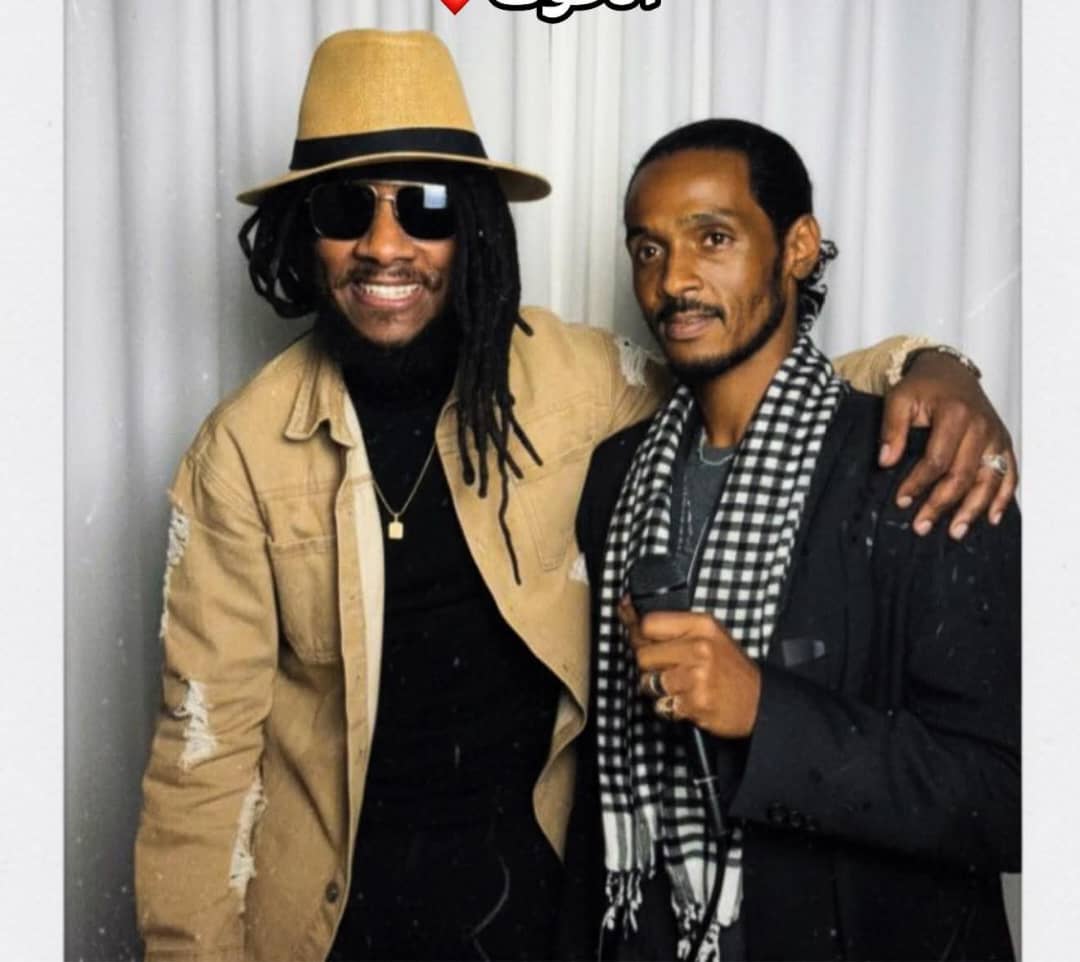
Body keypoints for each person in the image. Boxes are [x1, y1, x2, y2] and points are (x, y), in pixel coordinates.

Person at [133, 30, 1017, 962]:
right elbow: (201, 763)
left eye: (425, 207)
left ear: (470, 223)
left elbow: (747, 384)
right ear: (305, 234)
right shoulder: (240, 455)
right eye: (345, 206)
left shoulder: (577, 382)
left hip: (545, 915)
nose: (385, 245)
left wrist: (933, 368)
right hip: (340, 923)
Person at [566, 119, 1019, 961]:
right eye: (649, 249)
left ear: (798, 247)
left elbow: (1011, 793)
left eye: (713, 238)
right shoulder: (616, 474)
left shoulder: (924, 466)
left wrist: (764, 713)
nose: (674, 280)